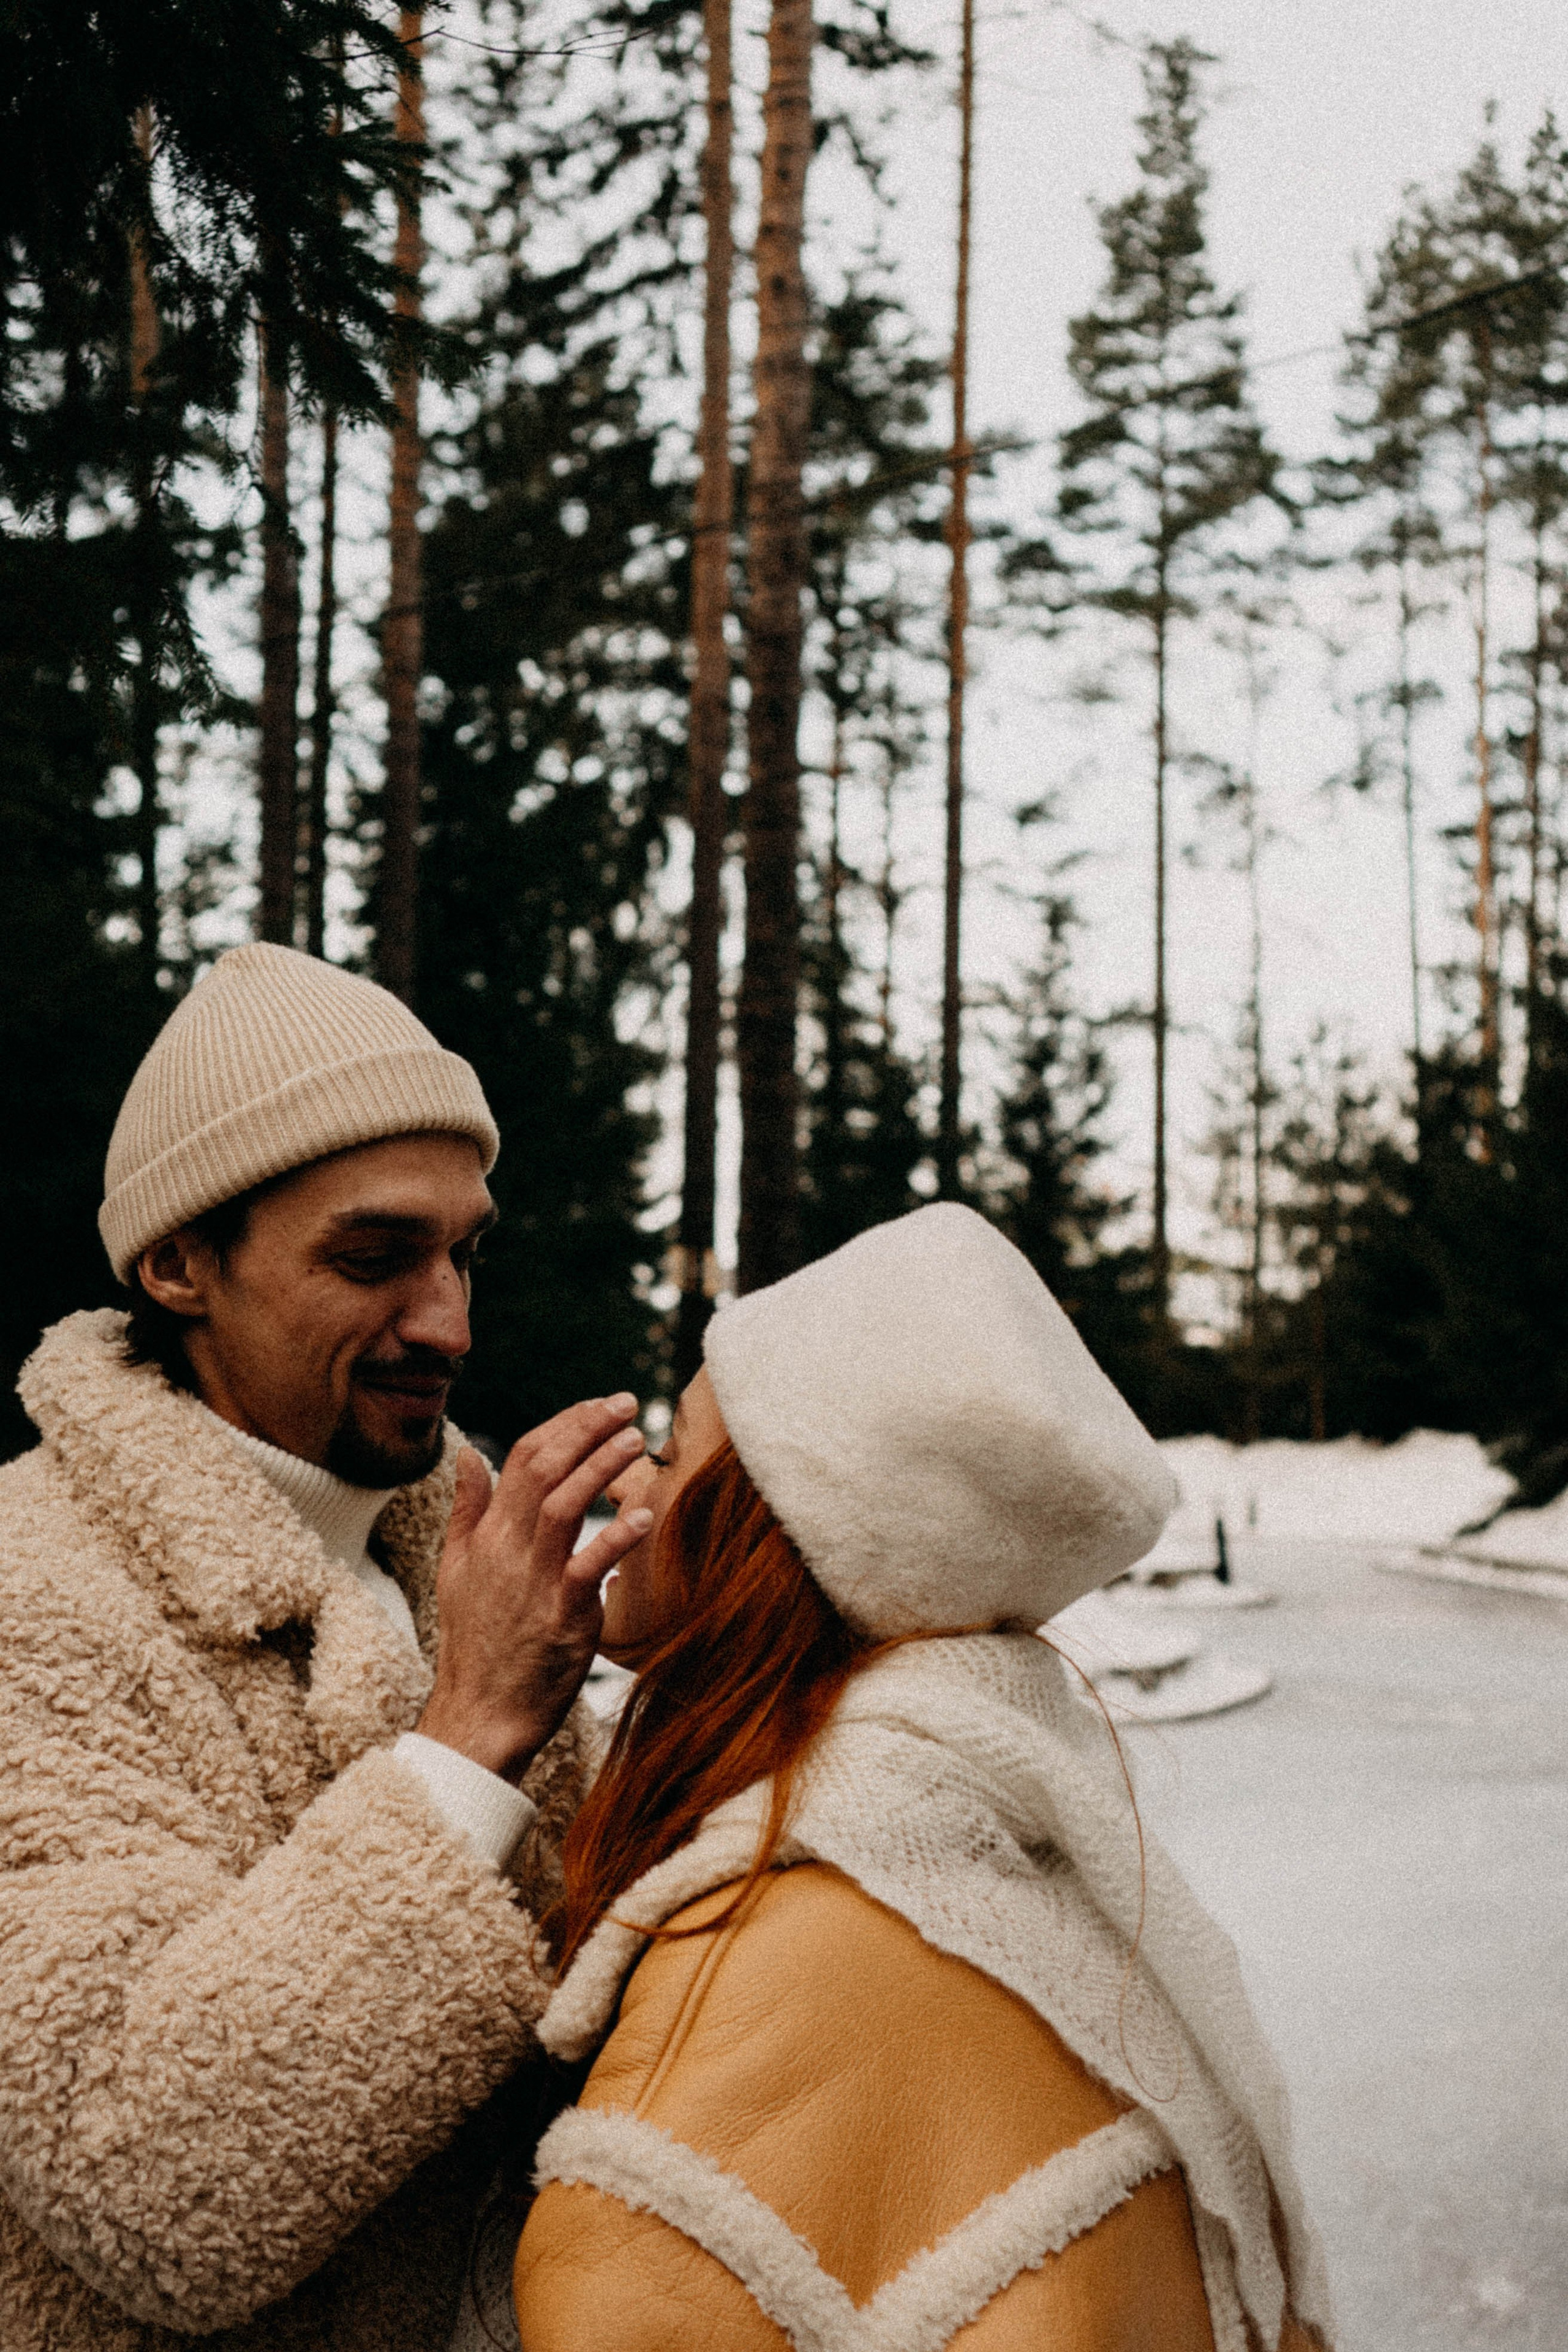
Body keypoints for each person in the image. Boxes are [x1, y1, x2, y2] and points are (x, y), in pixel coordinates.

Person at [512, 1205, 1333, 2352]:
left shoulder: (758, 1949)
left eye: (674, 1447)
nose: (629, 1487)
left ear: (773, 1531)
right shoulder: (1004, 1858)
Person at [0, 943, 641, 2352]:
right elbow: (152, 2185)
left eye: (465, 1252)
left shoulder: (451, 1553)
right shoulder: (28, 1596)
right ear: (177, 1263)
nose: (451, 1324)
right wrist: (470, 1733)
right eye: (373, 1257)